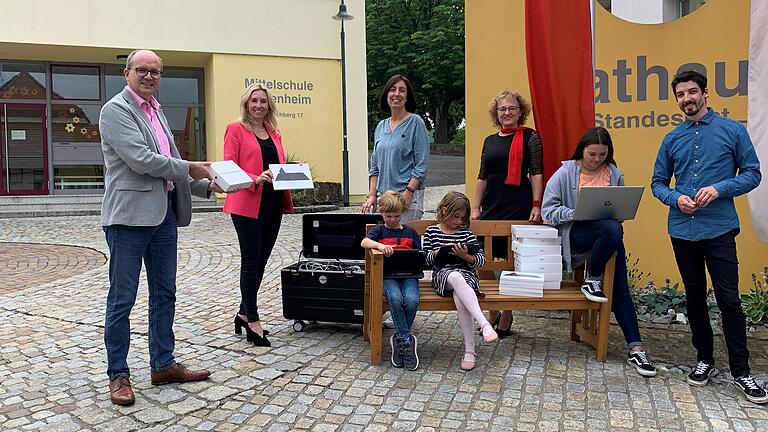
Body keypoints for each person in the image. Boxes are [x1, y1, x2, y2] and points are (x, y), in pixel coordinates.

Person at [100, 49, 216, 406]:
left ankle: (163, 364)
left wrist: (209, 184)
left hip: (164, 215)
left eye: (155, 71)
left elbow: (171, 169)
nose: (149, 76)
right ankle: (118, 374)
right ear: (127, 73)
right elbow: (142, 160)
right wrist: (193, 168)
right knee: (123, 298)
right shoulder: (115, 110)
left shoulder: (157, 110)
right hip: (128, 219)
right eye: (142, 70)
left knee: (165, 294)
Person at [651, 70, 765, 404]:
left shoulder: (732, 131)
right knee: (695, 297)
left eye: (692, 92)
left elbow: (753, 174)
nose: (687, 99)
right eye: (681, 95)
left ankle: (741, 371)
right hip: (682, 230)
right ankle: (704, 360)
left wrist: (719, 188)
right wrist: (675, 198)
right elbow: (657, 182)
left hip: (719, 229)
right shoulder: (672, 138)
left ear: (705, 93)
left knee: (729, 300)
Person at [541, 127, 657, 377]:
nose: (596, 159)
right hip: (577, 235)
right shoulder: (565, 173)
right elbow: (548, 213)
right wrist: (576, 212)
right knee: (612, 230)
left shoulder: (615, 174)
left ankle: (636, 348)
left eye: (602, 155)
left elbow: (620, 212)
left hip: (607, 235)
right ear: (582, 150)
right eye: (592, 154)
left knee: (620, 287)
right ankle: (592, 279)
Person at [224, 83, 294, 348]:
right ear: (246, 103)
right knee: (250, 260)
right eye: (254, 101)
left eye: (263, 101)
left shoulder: (274, 132)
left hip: (273, 202)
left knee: (262, 260)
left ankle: (243, 312)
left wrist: (292, 172)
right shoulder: (235, 129)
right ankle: (253, 319)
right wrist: (256, 178)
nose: (258, 105)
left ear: (269, 105)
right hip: (246, 203)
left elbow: (278, 166)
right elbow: (228, 167)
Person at [472, 90, 544, 338]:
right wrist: (475, 207)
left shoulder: (530, 137)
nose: (507, 112)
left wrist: (537, 204)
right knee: (482, 257)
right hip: (492, 204)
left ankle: (508, 311)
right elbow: (482, 175)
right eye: (502, 109)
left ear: (520, 111)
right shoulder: (489, 141)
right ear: (496, 113)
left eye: (511, 108)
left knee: (511, 261)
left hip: (518, 204)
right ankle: (493, 309)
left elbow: (536, 172)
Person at [423, 192, 498, 371]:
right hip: (443, 276)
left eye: (462, 218)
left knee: (460, 294)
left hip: (467, 277)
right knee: (455, 277)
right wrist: (439, 252)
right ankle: (484, 323)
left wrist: (466, 256)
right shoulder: (432, 232)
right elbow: (424, 260)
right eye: (455, 217)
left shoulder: (466, 234)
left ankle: (470, 352)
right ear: (444, 210)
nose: (458, 221)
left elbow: (481, 261)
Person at [361, 191, 422, 370]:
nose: (393, 220)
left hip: (409, 276)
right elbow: (364, 242)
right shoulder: (379, 231)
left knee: (411, 299)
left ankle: (400, 339)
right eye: (388, 216)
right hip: (387, 276)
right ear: (382, 213)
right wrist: (380, 245)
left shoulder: (410, 233)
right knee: (395, 298)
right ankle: (405, 340)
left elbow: (419, 255)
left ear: (402, 213)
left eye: (396, 216)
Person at [362, 74, 430, 223]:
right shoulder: (380, 126)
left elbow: (421, 165)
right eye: (393, 89)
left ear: (407, 97)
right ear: (387, 94)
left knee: (404, 243)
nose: (397, 94)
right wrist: (372, 195)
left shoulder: (415, 122)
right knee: (383, 244)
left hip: (407, 198)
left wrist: (408, 192)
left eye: (402, 90)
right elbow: (374, 167)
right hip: (384, 199)